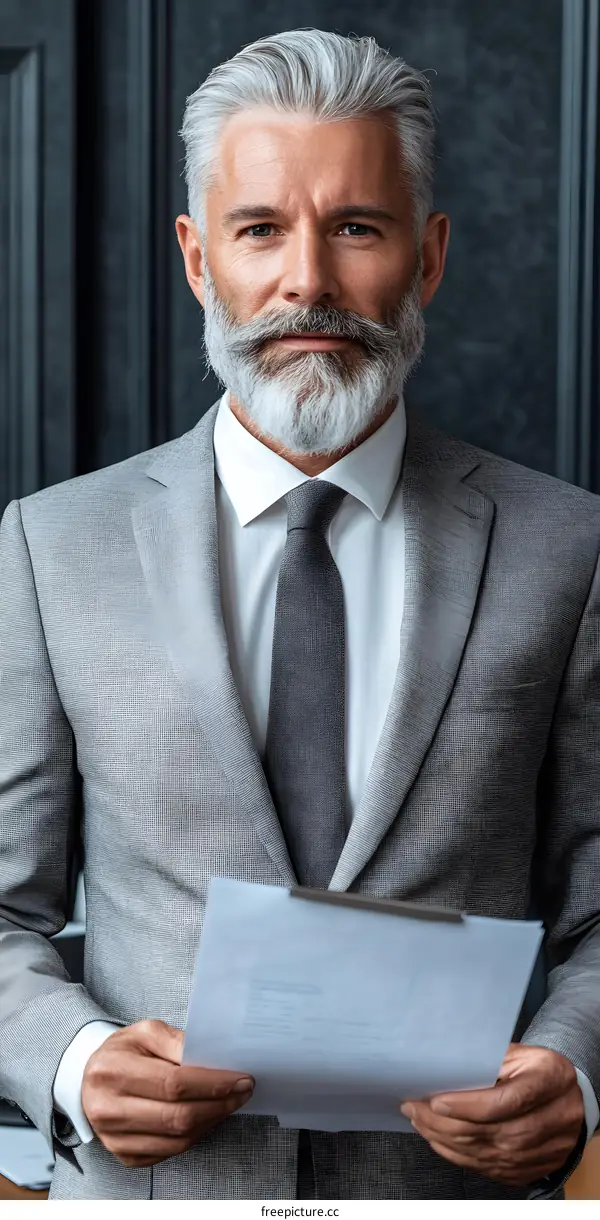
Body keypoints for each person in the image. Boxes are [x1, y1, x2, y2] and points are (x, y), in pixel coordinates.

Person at [0, 27, 599, 1203]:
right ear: (197, 258)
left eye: (358, 227)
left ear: (429, 257)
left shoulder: (568, 548)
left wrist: (577, 1068)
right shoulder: (49, 548)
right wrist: (71, 1058)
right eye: (261, 228)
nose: (309, 281)